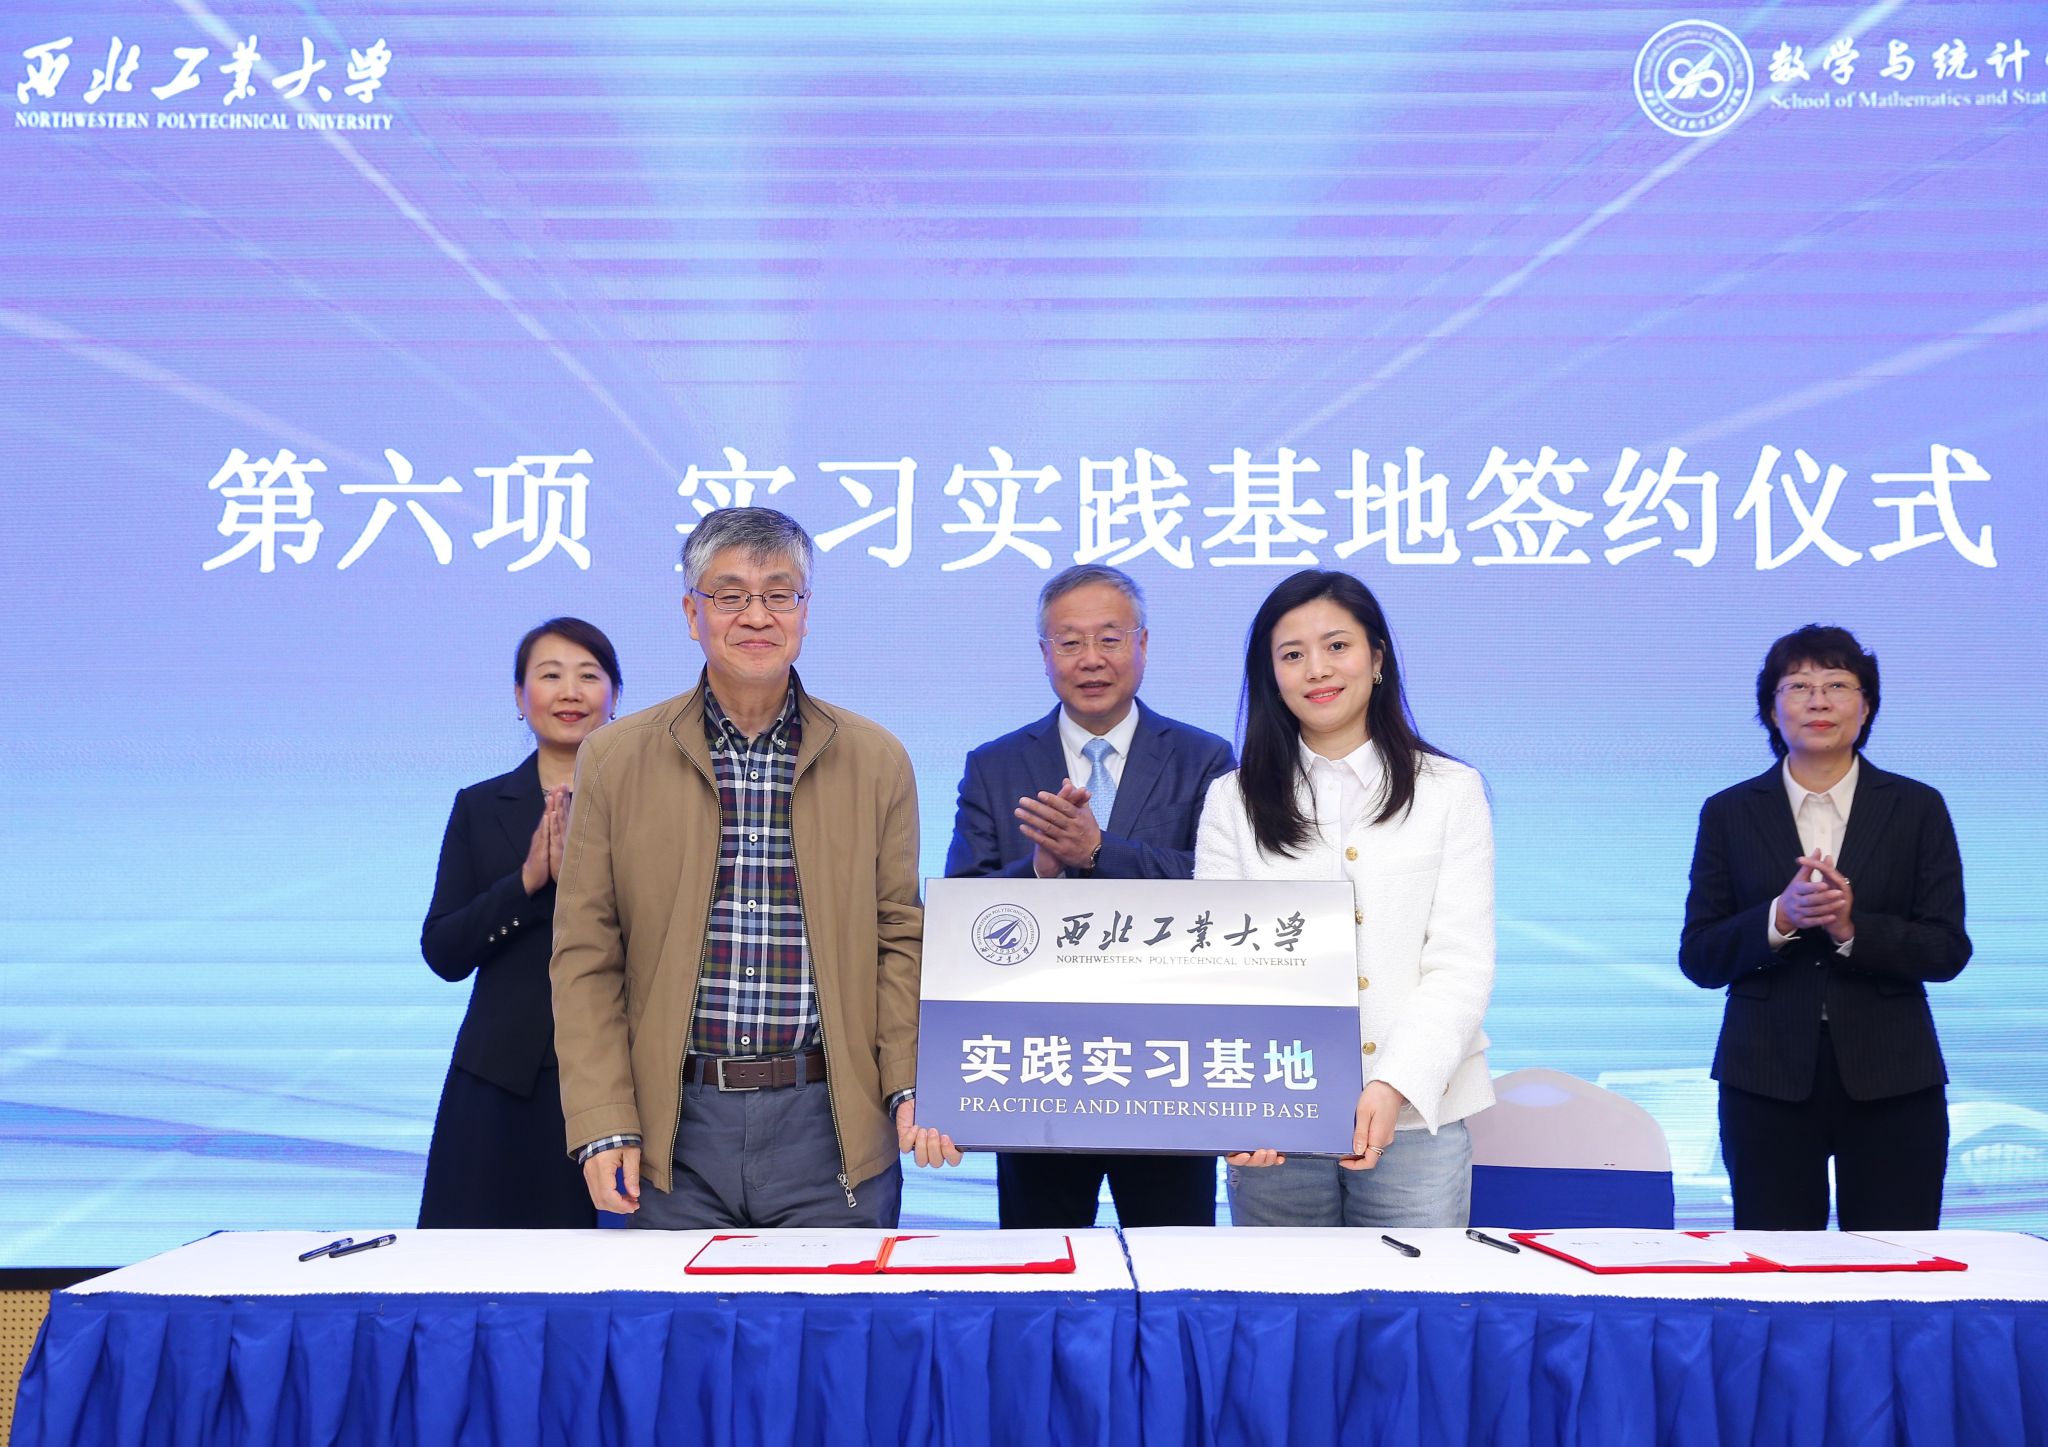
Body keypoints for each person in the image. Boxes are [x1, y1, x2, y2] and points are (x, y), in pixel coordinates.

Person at [551, 507, 958, 1230]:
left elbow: (898, 939)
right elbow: (586, 954)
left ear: (805, 611)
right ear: (692, 613)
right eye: (730, 594)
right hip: (672, 1132)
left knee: (836, 1311)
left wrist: (908, 1084)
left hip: (830, 1128)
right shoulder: (614, 759)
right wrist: (604, 1119)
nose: (757, 615)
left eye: (779, 594)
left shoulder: (876, 758)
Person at [1194, 569, 1494, 1228]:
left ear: (1377, 658)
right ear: (1271, 675)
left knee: (1413, 1295)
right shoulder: (1232, 801)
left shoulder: (1451, 791)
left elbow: (1460, 962)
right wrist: (1241, 1101)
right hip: (1275, 1123)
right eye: (1292, 654)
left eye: (1337, 646)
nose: (1317, 669)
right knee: (1280, 1298)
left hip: (1417, 1117)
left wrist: (1394, 1082)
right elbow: (1217, 972)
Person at [945, 563, 1235, 1229]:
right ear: (1044, 653)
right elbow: (962, 909)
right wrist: (1041, 873)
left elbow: (1224, 892)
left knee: (1174, 1268)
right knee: (1043, 1266)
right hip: (1036, 1067)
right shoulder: (995, 764)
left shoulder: (1204, 759)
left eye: (1110, 638)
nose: (1091, 659)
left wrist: (1100, 852)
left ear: (1143, 644)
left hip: (1170, 1067)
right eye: (1070, 642)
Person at [1680, 625, 1969, 1231]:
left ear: (1866, 708)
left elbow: (1946, 949)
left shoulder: (1917, 807)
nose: (1819, 701)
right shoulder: (1729, 811)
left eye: (1838, 685)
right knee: (1777, 1266)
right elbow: (1700, 957)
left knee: (1898, 1264)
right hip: (1765, 1079)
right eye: (1799, 686)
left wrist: (1850, 928)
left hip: (1895, 1077)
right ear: (1771, 710)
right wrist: (1779, 918)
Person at [418, 618, 622, 1228]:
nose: (570, 692)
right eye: (550, 675)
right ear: (519, 695)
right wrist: (526, 882)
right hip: (500, 1082)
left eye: (589, 676)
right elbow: (444, 951)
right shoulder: (480, 807)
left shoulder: (648, 806)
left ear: (615, 697)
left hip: (616, 1083)